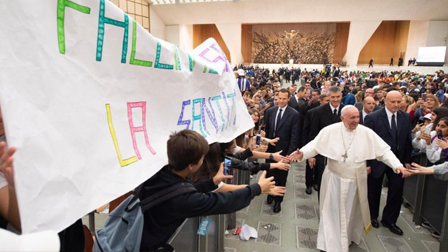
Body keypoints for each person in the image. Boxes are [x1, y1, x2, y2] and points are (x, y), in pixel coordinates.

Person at [287, 105, 409, 252]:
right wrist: (302, 154)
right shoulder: (330, 130)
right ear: (342, 118)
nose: (356, 120)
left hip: (356, 180)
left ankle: (347, 238)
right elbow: (315, 145)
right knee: (331, 212)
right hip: (334, 179)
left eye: (358, 117)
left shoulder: (365, 132)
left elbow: (384, 151)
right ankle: (330, 244)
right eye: (352, 118)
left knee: (351, 213)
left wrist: (397, 165)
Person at [137, 130, 275, 251]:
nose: (203, 161)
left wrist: (213, 182)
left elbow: (180, 191)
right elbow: (221, 202)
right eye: (202, 158)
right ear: (191, 165)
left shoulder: (161, 173)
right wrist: (257, 188)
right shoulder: (183, 201)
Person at [364, 91, 413, 235]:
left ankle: (390, 220)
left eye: (399, 102)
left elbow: (407, 140)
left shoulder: (405, 117)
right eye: (393, 102)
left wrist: (407, 161)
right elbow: (367, 142)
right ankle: (372, 216)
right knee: (373, 190)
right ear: (385, 101)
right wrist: (367, 162)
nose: (396, 105)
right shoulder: (373, 118)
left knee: (396, 191)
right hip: (377, 160)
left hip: (397, 161)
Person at [264, 88, 300, 213]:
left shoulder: (294, 114)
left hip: (284, 151)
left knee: (281, 177)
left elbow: (295, 136)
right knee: (270, 174)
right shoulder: (270, 112)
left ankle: (278, 200)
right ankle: (270, 193)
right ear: (276, 97)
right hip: (270, 151)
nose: (281, 100)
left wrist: (289, 155)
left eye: (284, 98)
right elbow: (268, 132)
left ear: (288, 99)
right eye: (279, 98)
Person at [308, 86, 344, 198]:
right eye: (333, 97)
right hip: (322, 153)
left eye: (338, 97)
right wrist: (311, 154)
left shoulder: (346, 110)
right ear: (328, 97)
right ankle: (323, 209)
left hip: (341, 153)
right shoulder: (319, 111)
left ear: (341, 96)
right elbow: (313, 133)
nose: (335, 99)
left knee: (339, 183)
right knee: (322, 181)